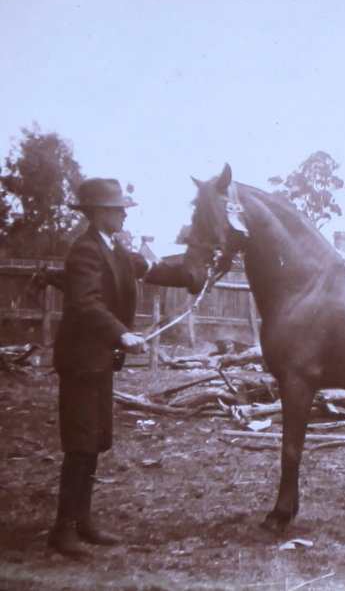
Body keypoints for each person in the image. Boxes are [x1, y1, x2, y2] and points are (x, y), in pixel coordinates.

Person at [48, 178, 194, 558]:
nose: (124, 212)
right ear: (97, 213)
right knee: (80, 445)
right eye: (116, 208)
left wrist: (196, 275)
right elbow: (85, 303)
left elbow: (153, 269)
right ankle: (63, 531)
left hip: (99, 362)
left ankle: (84, 521)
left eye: (123, 207)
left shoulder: (115, 248)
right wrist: (122, 334)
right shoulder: (85, 252)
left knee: (95, 442)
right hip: (81, 361)